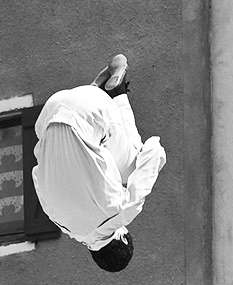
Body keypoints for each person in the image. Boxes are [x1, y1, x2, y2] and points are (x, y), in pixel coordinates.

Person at [32, 53, 165, 273]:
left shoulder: (122, 213)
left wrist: (157, 155)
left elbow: (154, 151)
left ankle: (116, 92)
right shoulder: (56, 218)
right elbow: (37, 174)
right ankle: (95, 92)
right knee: (100, 169)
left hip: (92, 111)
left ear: (121, 237)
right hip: (50, 112)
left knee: (133, 168)